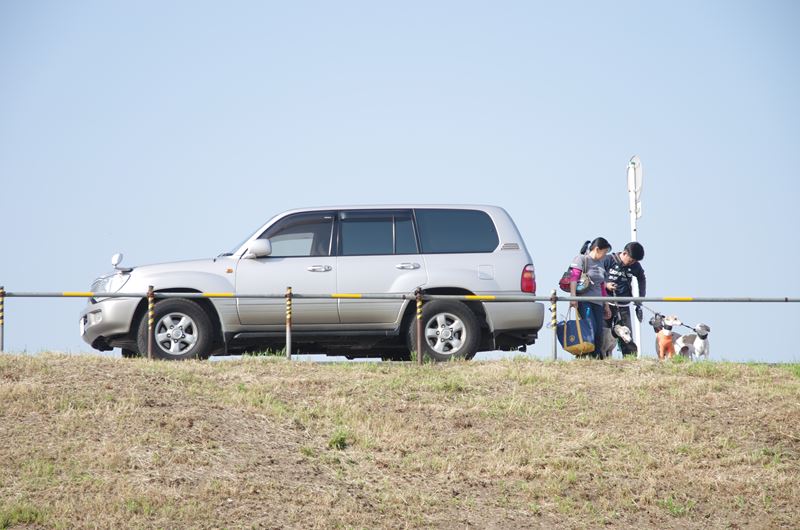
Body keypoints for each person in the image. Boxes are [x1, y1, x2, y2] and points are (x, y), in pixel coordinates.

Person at [568, 238, 612, 359]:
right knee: (590, 327)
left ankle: (595, 357)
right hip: (584, 300)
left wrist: (606, 305)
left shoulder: (601, 263)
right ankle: (584, 355)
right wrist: (573, 297)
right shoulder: (582, 259)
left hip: (598, 302)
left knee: (599, 331)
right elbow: (573, 278)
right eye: (604, 252)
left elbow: (602, 285)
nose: (605, 255)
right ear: (597, 249)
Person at [604, 241, 647, 357]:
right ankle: (601, 359)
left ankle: (630, 359)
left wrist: (640, 298)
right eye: (631, 260)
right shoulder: (608, 260)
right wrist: (606, 285)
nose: (632, 263)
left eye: (635, 261)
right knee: (604, 334)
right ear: (624, 253)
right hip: (606, 304)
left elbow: (642, 278)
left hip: (623, 305)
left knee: (626, 335)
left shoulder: (635, 266)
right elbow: (596, 276)